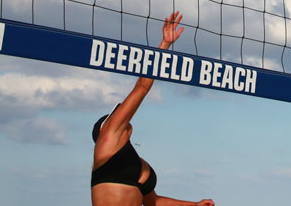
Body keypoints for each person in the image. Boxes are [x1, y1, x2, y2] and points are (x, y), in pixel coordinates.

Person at [91, 11, 215, 206]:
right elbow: (142, 86)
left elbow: (154, 203)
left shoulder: (136, 162)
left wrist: (194, 205)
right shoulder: (107, 140)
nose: (121, 114)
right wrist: (164, 45)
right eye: (114, 116)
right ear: (102, 129)